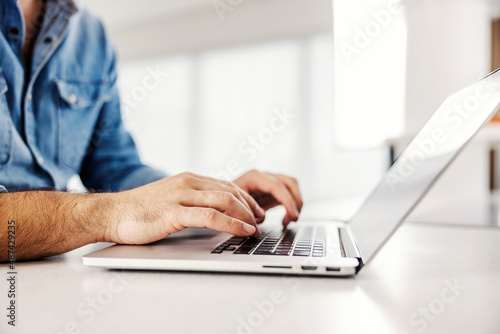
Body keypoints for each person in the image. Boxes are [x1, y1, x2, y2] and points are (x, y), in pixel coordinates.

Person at [0, 0, 303, 262]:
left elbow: (114, 167)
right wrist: (109, 214)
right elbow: (119, 207)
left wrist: (208, 199)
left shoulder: (90, 34)